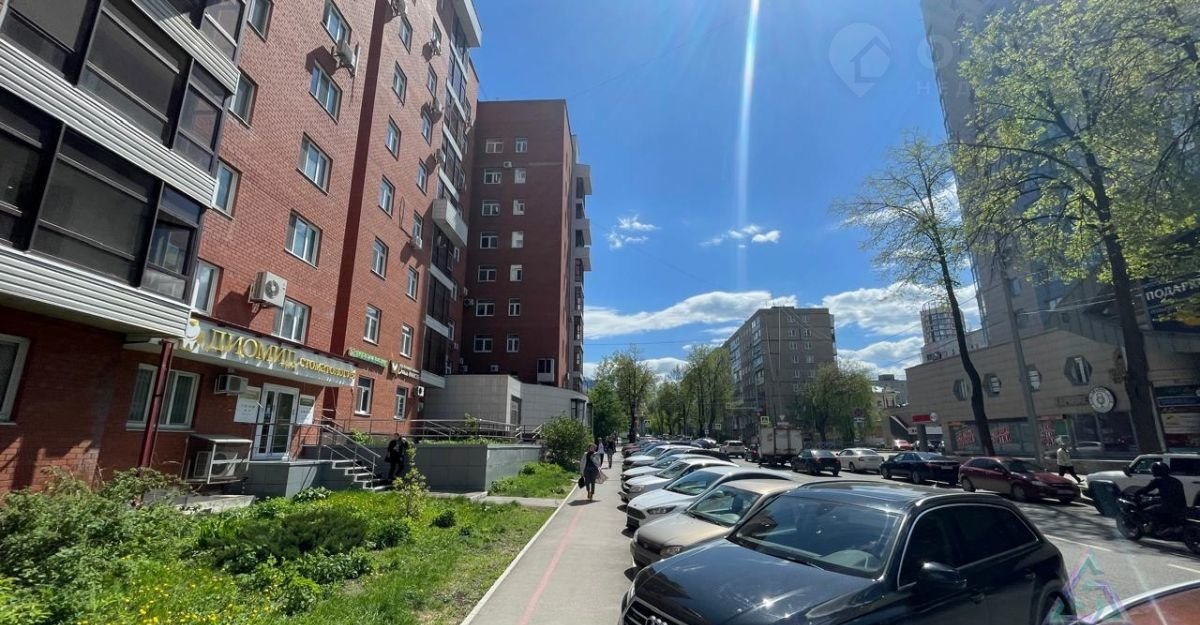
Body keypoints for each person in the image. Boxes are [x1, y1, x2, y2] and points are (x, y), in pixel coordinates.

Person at [1136, 462, 1188, 529]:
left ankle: (1154, 528)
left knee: (1145, 511)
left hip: (1169, 507)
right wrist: (1154, 495)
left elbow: (1145, 489)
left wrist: (1136, 493)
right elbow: (1169, 492)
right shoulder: (1176, 480)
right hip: (1181, 506)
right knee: (1156, 504)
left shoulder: (1158, 480)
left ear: (1156, 471)